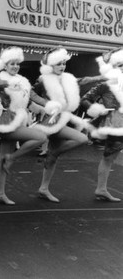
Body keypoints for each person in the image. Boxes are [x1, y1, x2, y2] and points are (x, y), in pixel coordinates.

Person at [29, 47, 99, 203]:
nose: (62, 67)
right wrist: (47, 103)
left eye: (64, 64)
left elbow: (84, 80)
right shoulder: (43, 79)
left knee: (53, 156)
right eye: (59, 64)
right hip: (49, 121)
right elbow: (31, 93)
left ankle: (44, 188)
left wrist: (101, 77)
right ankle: (50, 155)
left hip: (61, 121)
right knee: (81, 139)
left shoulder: (66, 78)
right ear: (51, 65)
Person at [0, 47, 48, 205]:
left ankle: (0, 193)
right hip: (8, 120)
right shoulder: (0, 79)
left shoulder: (23, 81)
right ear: (5, 65)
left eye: (17, 63)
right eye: (11, 64)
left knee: (3, 160)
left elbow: (32, 97)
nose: (15, 66)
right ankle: (12, 158)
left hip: (20, 119)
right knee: (40, 137)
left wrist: (48, 105)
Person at [80, 48, 123, 202]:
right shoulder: (106, 85)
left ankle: (101, 188)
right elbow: (85, 99)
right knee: (109, 157)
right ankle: (101, 188)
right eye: (120, 65)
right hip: (115, 123)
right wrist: (98, 109)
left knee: (110, 157)